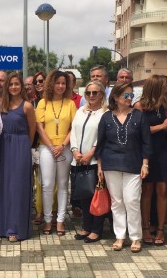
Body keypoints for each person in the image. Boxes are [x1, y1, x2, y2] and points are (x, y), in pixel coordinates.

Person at [96, 82, 151, 253]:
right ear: (115, 97)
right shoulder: (106, 117)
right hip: (110, 164)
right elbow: (101, 143)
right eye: (126, 95)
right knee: (117, 202)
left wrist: (145, 164)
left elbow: (146, 142)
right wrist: (99, 167)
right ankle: (120, 236)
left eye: (131, 95)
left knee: (132, 201)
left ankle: (135, 237)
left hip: (134, 165)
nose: (129, 98)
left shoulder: (139, 116)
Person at [135, 75, 167, 246]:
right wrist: (162, 126)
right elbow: (140, 132)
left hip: (165, 152)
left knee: (162, 190)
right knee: (146, 191)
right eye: (164, 87)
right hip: (148, 152)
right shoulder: (140, 107)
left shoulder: (166, 105)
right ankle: (145, 227)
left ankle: (160, 229)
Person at [35, 70, 77, 236]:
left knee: (63, 185)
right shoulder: (42, 103)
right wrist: (52, 146)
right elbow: (39, 127)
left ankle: (60, 220)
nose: (60, 86)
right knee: (46, 184)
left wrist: (63, 145)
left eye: (63, 83)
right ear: (51, 84)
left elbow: (74, 128)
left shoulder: (70, 104)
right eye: (57, 82)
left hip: (65, 148)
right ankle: (47, 219)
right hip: (47, 147)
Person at [0, 72, 36, 242]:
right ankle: (4, 226)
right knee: (4, 186)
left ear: (22, 86)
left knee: (18, 187)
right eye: (11, 84)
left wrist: (25, 147)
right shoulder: (2, 105)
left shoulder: (27, 106)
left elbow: (32, 130)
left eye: (17, 84)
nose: (13, 87)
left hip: (21, 146)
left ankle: (16, 228)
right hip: (3, 146)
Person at [70, 81, 106, 243]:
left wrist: (90, 153)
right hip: (77, 161)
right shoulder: (80, 111)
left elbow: (102, 137)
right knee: (83, 196)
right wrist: (75, 151)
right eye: (88, 93)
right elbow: (73, 133)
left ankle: (96, 230)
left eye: (95, 93)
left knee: (96, 196)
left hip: (94, 161)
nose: (91, 96)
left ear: (102, 95)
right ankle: (86, 227)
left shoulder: (105, 113)